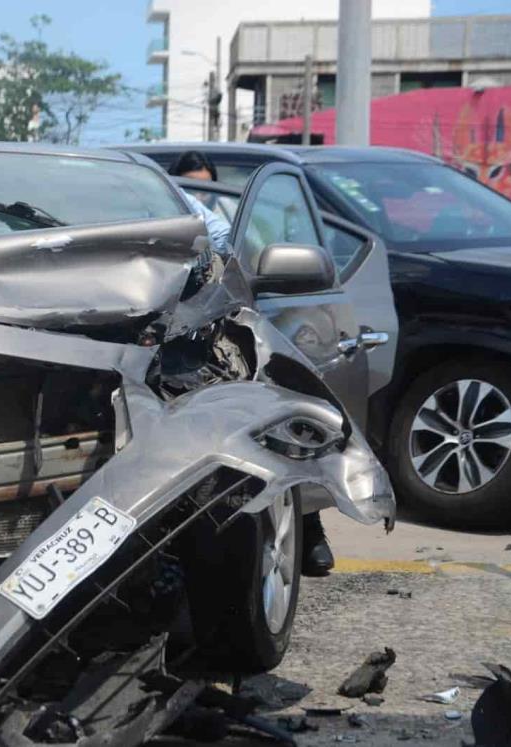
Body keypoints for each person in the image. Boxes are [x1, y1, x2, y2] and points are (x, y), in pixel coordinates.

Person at [169, 149, 335, 577]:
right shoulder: (150, 220)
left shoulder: (225, 226)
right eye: (187, 185)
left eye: (201, 184)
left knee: (286, 429)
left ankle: (308, 529)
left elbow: (243, 272)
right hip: (170, 328)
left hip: (230, 324)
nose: (195, 196)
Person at [167, 151, 231, 253]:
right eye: (189, 191)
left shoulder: (227, 209)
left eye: (204, 191)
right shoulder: (163, 213)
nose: (197, 198)